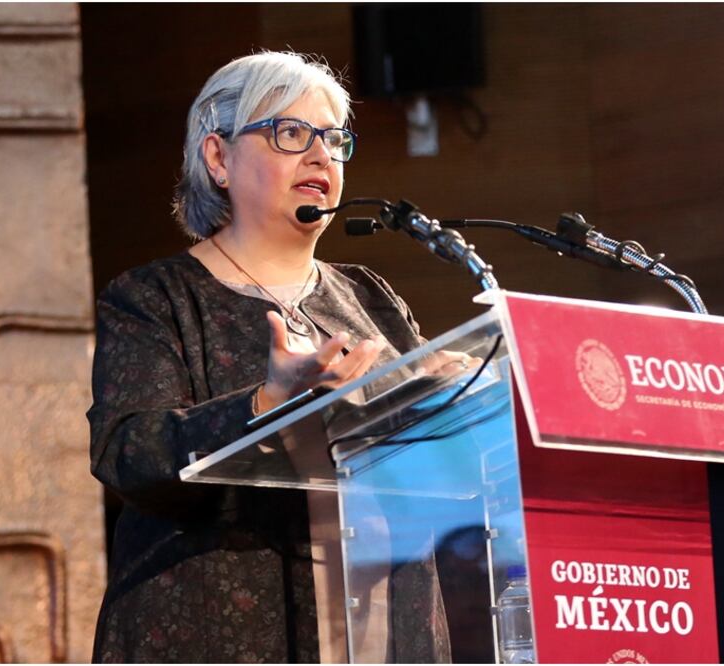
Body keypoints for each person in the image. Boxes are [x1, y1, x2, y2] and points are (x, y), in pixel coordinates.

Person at [87, 51, 451, 663]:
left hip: (388, 632)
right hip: (219, 630)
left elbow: (435, 468)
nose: (320, 156)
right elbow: (129, 455)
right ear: (218, 157)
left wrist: (455, 405)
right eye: (290, 133)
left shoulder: (369, 298)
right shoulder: (156, 298)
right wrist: (267, 402)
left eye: (334, 139)